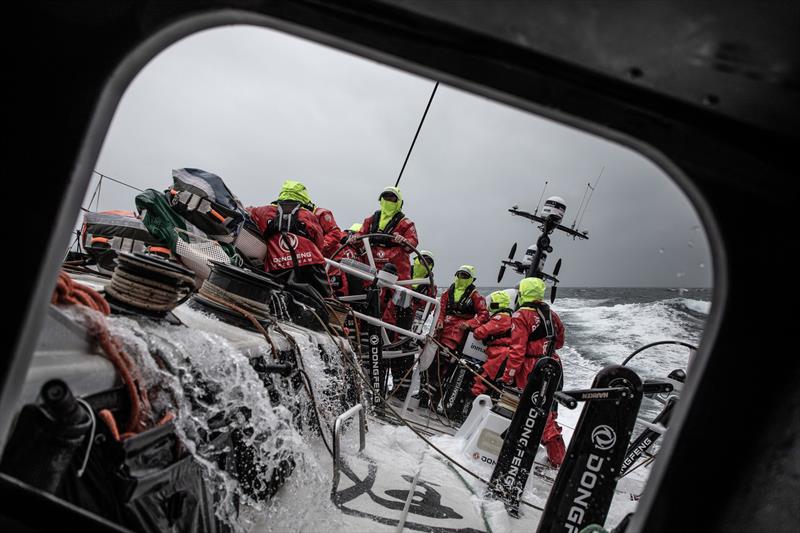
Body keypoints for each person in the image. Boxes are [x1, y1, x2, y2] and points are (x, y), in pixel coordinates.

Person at [502, 277, 566, 467]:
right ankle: (557, 456)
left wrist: (509, 375)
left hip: (533, 368)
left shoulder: (522, 315)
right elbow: (560, 342)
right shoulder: (552, 315)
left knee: (537, 411)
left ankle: (558, 460)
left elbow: (517, 350)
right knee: (549, 410)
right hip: (554, 365)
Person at [248, 180, 331, 296]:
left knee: (275, 298)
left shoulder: (262, 212)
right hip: (310, 267)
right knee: (323, 301)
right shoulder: (308, 215)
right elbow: (319, 243)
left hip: (276, 267)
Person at [422, 265, 489, 405]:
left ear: (471, 279)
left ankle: (433, 400)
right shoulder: (448, 292)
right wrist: (439, 320)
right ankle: (423, 394)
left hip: (456, 335)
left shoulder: (476, 296)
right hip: (441, 331)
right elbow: (441, 309)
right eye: (459, 275)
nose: (461, 278)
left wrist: (470, 323)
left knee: (443, 366)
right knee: (428, 360)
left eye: (465, 276)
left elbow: (484, 315)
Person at [383, 250, 436, 400]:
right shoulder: (403, 274)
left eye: (428, 261)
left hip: (411, 324)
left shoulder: (430, 287)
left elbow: (428, 307)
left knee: (405, 357)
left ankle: (401, 390)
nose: (424, 263)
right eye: (421, 259)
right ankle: (382, 384)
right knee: (387, 353)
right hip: (390, 319)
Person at [350, 186, 418, 282]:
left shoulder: (406, 223)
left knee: (399, 291)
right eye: (386, 197)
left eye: (392, 198)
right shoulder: (371, 220)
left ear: (399, 202)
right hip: (372, 264)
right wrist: (354, 238)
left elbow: (413, 242)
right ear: (381, 200)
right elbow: (360, 235)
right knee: (368, 289)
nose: (388, 200)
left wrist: (404, 240)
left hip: (397, 269)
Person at [470, 290, 514, 397]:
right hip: (500, 352)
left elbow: (479, 333)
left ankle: (470, 403)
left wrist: (474, 326)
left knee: (483, 379)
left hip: (500, 354)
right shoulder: (509, 318)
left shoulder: (501, 318)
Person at [328, 223, 366, 298]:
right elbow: (339, 236)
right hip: (338, 281)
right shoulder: (340, 245)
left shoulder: (360, 254)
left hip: (348, 288)